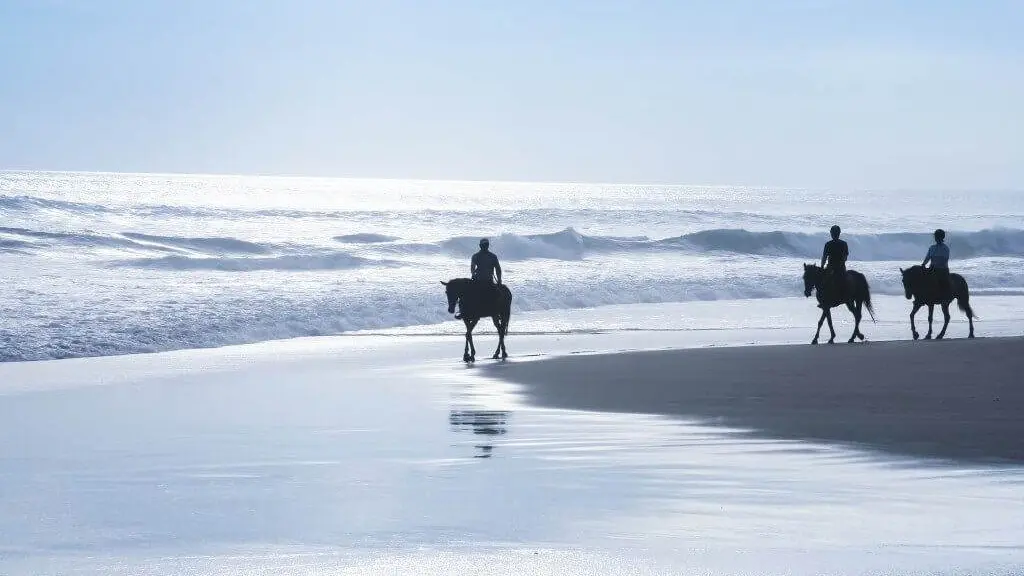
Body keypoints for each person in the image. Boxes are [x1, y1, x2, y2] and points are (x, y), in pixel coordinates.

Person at [467, 238, 501, 314]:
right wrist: (473, 274)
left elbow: (498, 269)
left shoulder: (493, 256)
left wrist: (499, 280)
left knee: (497, 295)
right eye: (483, 245)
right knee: (467, 294)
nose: (485, 246)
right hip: (477, 280)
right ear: (480, 246)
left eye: (486, 245)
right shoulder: (475, 256)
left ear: (488, 245)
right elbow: (472, 268)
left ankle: (496, 312)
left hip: (488, 281)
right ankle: (465, 311)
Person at [820, 225, 849, 302]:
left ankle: (823, 299)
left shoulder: (828, 244)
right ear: (839, 233)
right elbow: (845, 258)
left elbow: (824, 257)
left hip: (832, 268)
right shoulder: (844, 244)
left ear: (831, 233)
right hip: (839, 268)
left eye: (833, 233)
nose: (833, 234)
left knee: (823, 282)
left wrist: (822, 267)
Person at [922, 228, 951, 301]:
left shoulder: (945, 248)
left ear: (941, 238)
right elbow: (927, 258)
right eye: (936, 237)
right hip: (932, 269)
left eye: (937, 237)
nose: (936, 238)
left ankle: (944, 297)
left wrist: (936, 265)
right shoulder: (932, 247)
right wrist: (923, 264)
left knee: (942, 282)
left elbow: (945, 260)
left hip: (942, 270)